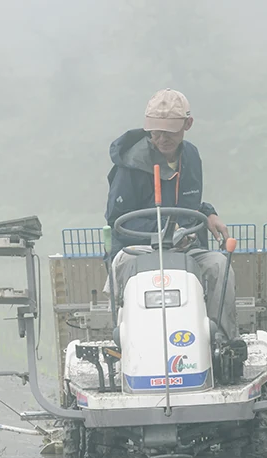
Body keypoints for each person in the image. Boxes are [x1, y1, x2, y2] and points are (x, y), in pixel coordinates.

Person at [102, 88, 239, 344]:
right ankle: (129, 341)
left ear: (188, 124)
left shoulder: (191, 156)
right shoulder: (130, 165)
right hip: (138, 249)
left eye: (170, 130)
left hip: (185, 248)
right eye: (156, 131)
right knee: (129, 271)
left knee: (220, 266)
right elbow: (118, 221)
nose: (162, 138)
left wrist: (207, 213)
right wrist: (164, 233)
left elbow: (189, 202)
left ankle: (219, 340)